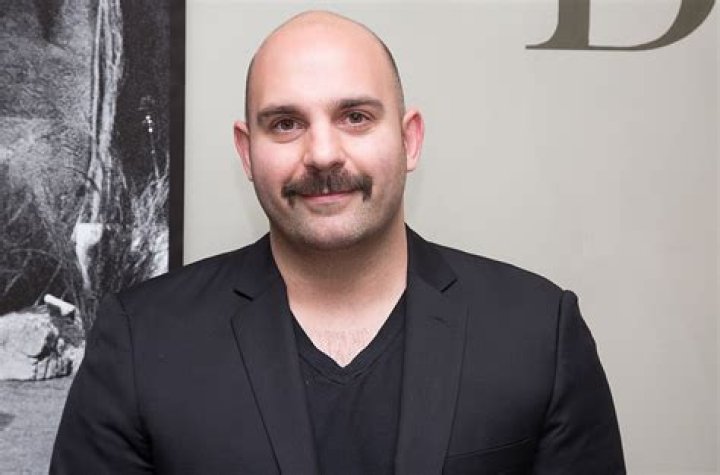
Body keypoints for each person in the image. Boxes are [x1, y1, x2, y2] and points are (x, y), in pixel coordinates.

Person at [51, 10, 625, 474]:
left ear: (410, 140)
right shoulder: (142, 340)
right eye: (285, 124)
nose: (323, 154)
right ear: (247, 152)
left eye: (355, 117)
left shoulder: (538, 332)